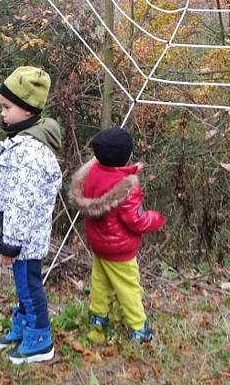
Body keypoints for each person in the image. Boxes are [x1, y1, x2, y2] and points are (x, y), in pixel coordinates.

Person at [0, 66, 62, 364]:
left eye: (7, 107)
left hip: (24, 240)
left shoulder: (29, 151)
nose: (2, 113)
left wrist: (10, 243)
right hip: (19, 237)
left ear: (27, 110)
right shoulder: (20, 143)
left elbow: (21, 201)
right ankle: (24, 325)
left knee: (30, 287)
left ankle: (40, 339)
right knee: (23, 286)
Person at [69, 127, 166, 342]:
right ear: (124, 156)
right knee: (129, 287)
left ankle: (97, 324)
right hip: (119, 249)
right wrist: (156, 219)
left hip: (98, 243)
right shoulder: (127, 189)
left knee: (100, 284)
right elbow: (136, 220)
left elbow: (112, 176)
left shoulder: (94, 173)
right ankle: (139, 328)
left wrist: (132, 170)